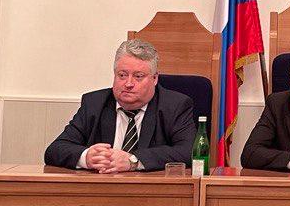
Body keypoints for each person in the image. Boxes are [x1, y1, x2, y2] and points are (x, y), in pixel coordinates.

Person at [44, 38, 194, 172]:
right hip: (101, 187)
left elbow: (189, 152)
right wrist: (86, 157)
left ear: (154, 79)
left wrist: (133, 160)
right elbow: (54, 150)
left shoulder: (174, 106)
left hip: (152, 190)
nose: (128, 83)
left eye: (138, 76)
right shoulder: (94, 103)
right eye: (122, 75)